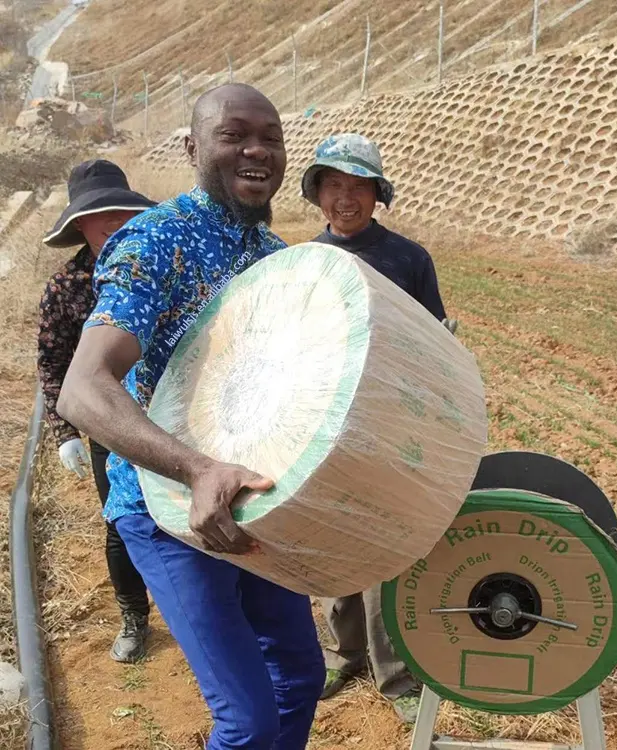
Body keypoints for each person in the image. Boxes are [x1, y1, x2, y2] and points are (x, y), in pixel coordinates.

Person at [56, 83, 325, 750]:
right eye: (235, 134)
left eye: (271, 135)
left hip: (246, 499)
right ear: (193, 146)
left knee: (298, 674)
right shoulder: (158, 240)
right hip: (165, 505)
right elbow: (83, 388)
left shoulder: (276, 260)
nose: (256, 148)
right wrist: (198, 468)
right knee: (247, 720)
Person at [300, 132, 456, 724]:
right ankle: (345, 654)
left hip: (392, 423)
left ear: (376, 194)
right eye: (334, 185)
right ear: (318, 194)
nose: (345, 198)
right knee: (332, 537)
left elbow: (436, 344)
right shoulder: (307, 260)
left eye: (357, 186)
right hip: (326, 423)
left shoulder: (407, 259)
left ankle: (396, 673)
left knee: (388, 543)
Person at [37, 159, 157, 663]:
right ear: (79, 225)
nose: (112, 221)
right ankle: (134, 615)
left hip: (177, 413)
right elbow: (54, 363)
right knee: (122, 522)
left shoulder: (161, 264)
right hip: (110, 423)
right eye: (98, 213)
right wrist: (65, 430)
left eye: (122, 209)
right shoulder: (66, 290)